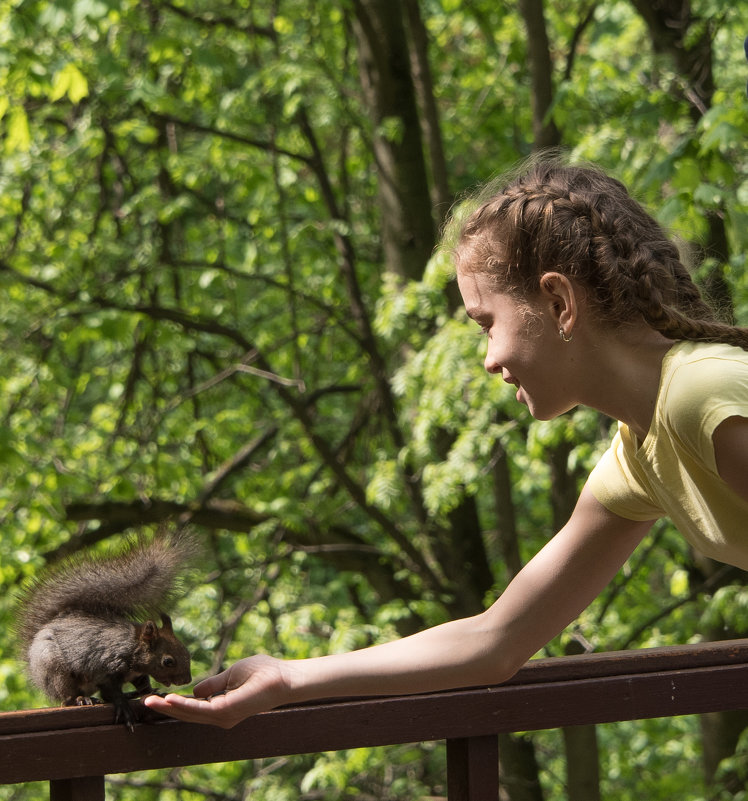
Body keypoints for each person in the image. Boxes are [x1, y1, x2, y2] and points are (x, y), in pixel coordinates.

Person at [145, 157, 748, 729]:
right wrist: (289, 678)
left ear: (559, 302)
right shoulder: (643, 451)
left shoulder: (705, 397)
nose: (488, 360)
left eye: (486, 324)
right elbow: (496, 641)